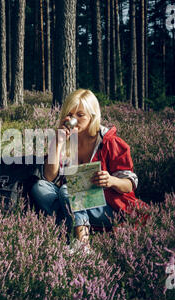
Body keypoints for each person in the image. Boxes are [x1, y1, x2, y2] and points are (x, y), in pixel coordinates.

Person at [30, 89, 147, 251]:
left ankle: (82, 244)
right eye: (70, 115)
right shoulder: (67, 139)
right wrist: (57, 144)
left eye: (80, 115)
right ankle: (74, 225)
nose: (73, 120)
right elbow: (49, 178)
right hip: (73, 201)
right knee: (40, 187)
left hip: (109, 208)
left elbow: (130, 184)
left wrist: (111, 180)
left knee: (68, 190)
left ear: (92, 116)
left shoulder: (109, 142)